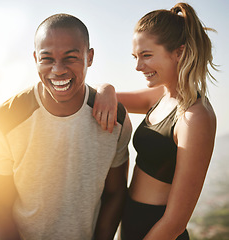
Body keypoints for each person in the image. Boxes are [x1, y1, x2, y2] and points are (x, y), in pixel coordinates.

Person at [0, 13, 132, 240]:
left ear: (89, 57)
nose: (58, 70)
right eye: (47, 59)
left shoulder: (115, 118)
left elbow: (115, 193)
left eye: (70, 58)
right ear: (35, 59)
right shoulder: (4, 119)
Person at [93, 3, 217, 240]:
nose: (139, 66)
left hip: (158, 232)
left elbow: (175, 222)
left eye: (146, 55)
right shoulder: (160, 95)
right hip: (130, 223)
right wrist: (106, 87)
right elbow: (100, 97)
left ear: (179, 53)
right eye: (136, 57)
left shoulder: (196, 117)